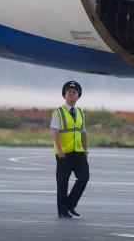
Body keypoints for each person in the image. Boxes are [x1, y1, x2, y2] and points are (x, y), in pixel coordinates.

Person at [50, 81, 89, 218]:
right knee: (62, 182)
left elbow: (83, 132)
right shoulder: (58, 112)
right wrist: (59, 149)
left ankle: (70, 204)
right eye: (69, 92)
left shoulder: (79, 112)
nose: (71, 94)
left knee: (84, 177)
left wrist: (85, 149)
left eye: (74, 92)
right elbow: (55, 131)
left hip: (78, 152)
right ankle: (62, 211)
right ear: (64, 95)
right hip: (64, 153)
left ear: (78, 96)